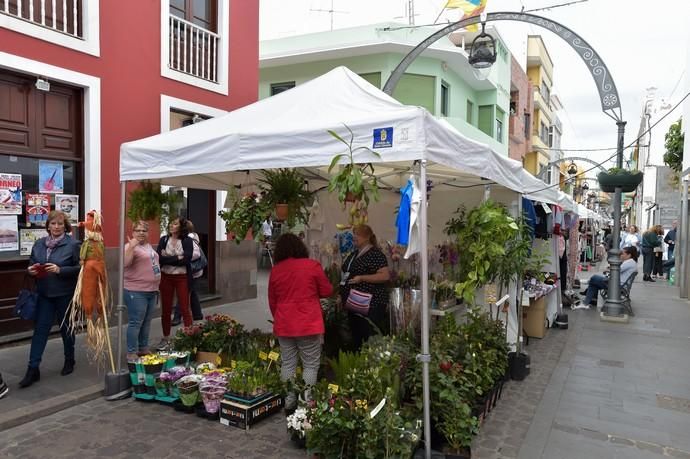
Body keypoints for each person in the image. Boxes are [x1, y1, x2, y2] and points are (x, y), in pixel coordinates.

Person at [268, 233, 332, 411]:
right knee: (310, 365)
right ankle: (305, 403)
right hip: (308, 324)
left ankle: (289, 402)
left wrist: (280, 317)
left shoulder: (276, 270)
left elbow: (272, 301)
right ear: (300, 247)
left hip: (284, 324)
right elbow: (327, 290)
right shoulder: (312, 266)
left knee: (288, 363)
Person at [20, 211, 81, 388]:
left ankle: (69, 359)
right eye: (53, 224)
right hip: (44, 294)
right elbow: (31, 262)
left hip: (64, 294)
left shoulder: (73, 244)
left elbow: (80, 268)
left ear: (65, 226)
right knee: (40, 331)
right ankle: (33, 369)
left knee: (66, 330)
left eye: (60, 224)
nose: (56, 227)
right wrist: (30, 270)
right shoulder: (39, 244)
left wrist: (60, 270)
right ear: (48, 226)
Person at [340, 224, 390, 350]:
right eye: (354, 234)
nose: (354, 237)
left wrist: (362, 278)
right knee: (357, 337)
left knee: (368, 335)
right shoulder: (354, 254)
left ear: (367, 237)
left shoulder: (375, 254)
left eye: (357, 234)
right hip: (354, 304)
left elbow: (384, 276)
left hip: (371, 304)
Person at [124, 220, 161, 361]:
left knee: (146, 321)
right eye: (138, 230)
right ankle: (131, 352)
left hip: (151, 290)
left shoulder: (147, 246)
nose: (141, 233)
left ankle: (143, 348)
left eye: (144, 230)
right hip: (136, 291)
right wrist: (131, 248)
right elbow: (125, 264)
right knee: (136, 322)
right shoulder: (130, 246)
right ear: (133, 232)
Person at [156, 216, 193, 350]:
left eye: (175, 224)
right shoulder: (163, 239)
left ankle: (189, 338)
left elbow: (187, 259)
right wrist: (177, 257)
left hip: (182, 277)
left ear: (181, 227)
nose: (172, 225)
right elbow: (159, 259)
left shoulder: (187, 241)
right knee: (166, 309)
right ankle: (166, 338)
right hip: (166, 277)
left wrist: (168, 257)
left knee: (184, 308)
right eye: (171, 223)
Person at [172, 220, 204, 325]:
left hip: (192, 272)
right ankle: (198, 314)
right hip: (195, 272)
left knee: (183, 294)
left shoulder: (189, 239)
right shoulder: (192, 236)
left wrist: (183, 256)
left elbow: (196, 254)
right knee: (192, 292)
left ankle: (177, 317)